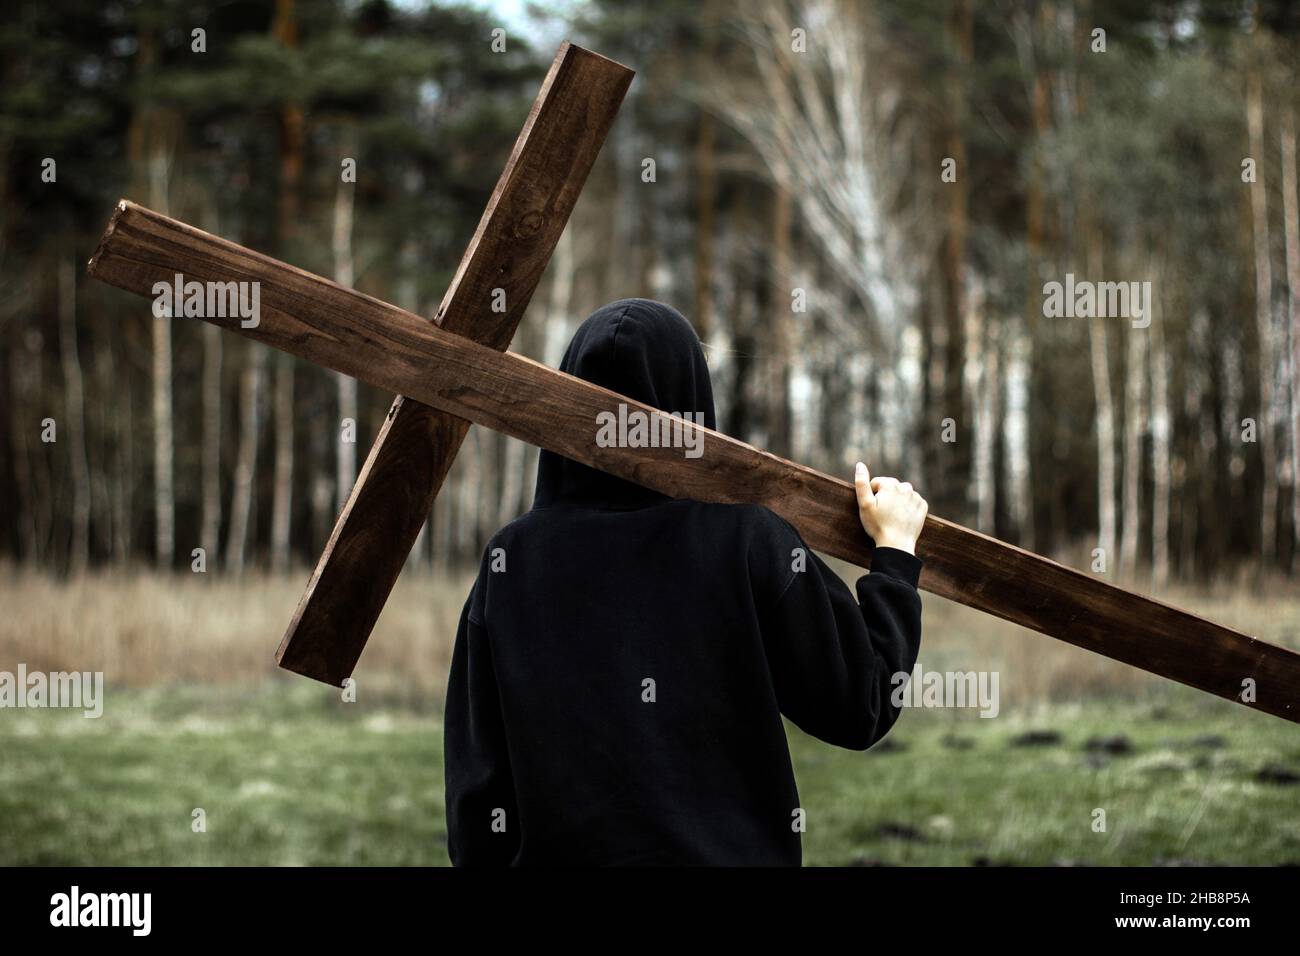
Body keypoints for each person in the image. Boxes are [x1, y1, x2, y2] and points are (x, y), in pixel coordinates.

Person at [444, 298, 928, 866]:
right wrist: (894, 554)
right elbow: (860, 702)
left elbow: (478, 806)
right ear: (691, 402)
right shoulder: (746, 541)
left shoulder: (511, 563)